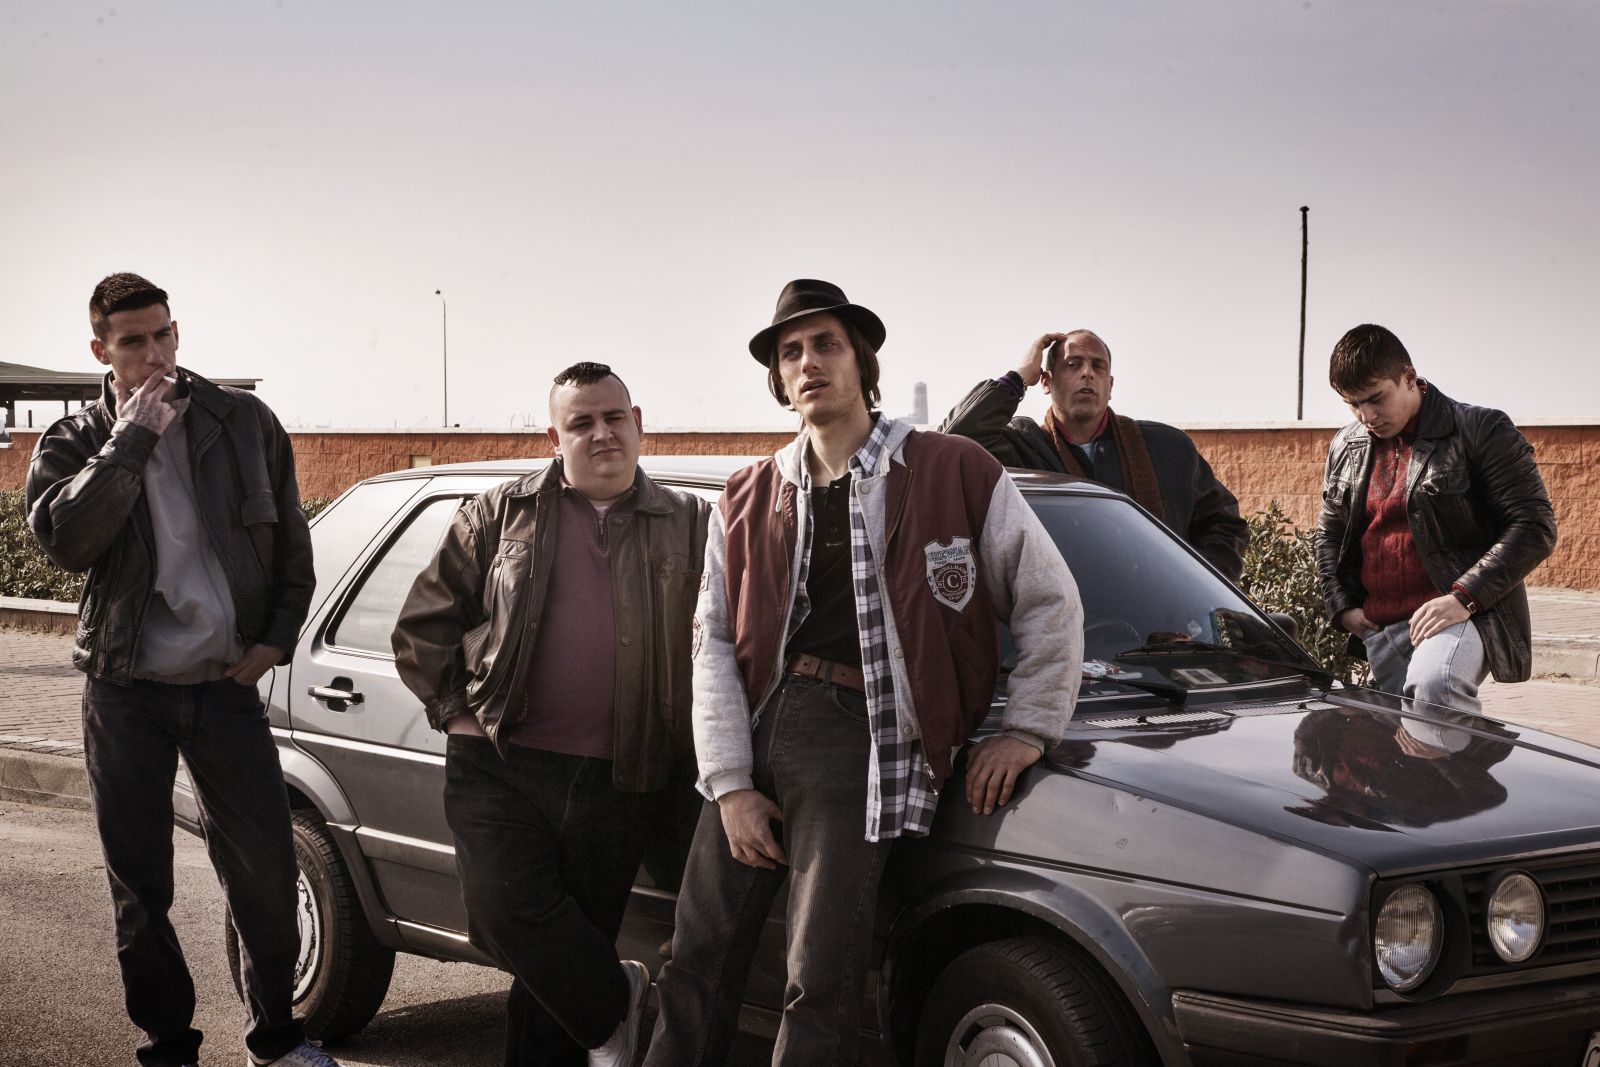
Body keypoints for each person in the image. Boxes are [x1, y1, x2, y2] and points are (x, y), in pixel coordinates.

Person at [643, 280, 1084, 1066]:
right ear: (779, 379)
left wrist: (1028, 727)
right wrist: (731, 783)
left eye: (826, 344)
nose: (808, 362)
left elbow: (1049, 597)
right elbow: (711, 641)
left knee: (819, 976)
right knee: (696, 957)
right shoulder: (748, 494)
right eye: (791, 352)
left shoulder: (952, 467)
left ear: (862, 362)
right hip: (759, 724)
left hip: (860, 738)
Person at [25, 274, 332, 1067]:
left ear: (177, 331)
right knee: (141, 885)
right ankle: (168, 1047)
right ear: (101, 350)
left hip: (225, 686)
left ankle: (277, 1038)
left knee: (266, 871)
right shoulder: (73, 440)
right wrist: (131, 441)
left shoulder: (242, 422)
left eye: (163, 334)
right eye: (133, 341)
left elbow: (292, 547)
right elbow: (67, 541)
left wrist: (276, 640)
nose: (154, 353)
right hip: (123, 689)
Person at [391, 362, 710, 1067]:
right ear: (554, 437)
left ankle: (595, 1016)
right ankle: (617, 1002)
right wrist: (458, 715)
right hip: (501, 763)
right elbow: (421, 627)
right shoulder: (499, 514)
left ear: (638, 423)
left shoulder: (691, 523)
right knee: (501, 911)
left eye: (614, 417)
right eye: (581, 422)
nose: (602, 433)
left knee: (558, 966)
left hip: (622, 776)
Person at [1315, 323, 1557, 716]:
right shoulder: (1346, 445)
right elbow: (1329, 535)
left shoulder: (1479, 430)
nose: (1367, 416)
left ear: (1409, 377)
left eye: (1376, 398)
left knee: (1435, 688)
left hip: (1459, 612)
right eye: (1353, 404)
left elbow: (1534, 526)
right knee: (1409, 745)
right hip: (1381, 627)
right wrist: (1341, 606)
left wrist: (1465, 597)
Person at [940, 329, 1249, 580]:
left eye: (1098, 366)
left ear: (1109, 386)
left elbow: (1225, 525)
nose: (1087, 373)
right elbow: (951, 443)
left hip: (1162, 626)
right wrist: (1019, 377)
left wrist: (1194, 594)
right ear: (1046, 381)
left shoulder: (1167, 448)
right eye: (1073, 364)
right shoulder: (1022, 447)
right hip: (1061, 623)